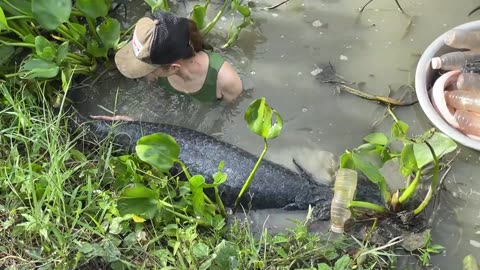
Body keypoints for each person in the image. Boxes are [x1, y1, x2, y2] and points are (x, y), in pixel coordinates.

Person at [114, 11, 243, 102]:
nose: (145, 74)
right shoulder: (154, 71)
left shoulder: (227, 81)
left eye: (148, 68)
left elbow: (231, 112)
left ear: (173, 67)